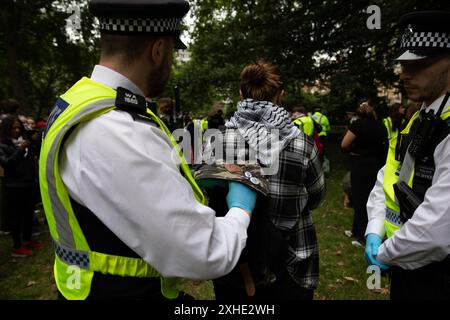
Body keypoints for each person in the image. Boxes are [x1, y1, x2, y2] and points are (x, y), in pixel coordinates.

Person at [39, 0, 258, 300]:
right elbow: (206, 253)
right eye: (171, 52)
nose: (171, 62)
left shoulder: (80, 100)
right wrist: (241, 210)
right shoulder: (116, 128)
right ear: (157, 51)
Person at [206, 61, 326, 300]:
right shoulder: (302, 144)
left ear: (241, 94)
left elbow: (207, 197)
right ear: (280, 96)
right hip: (292, 263)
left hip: (235, 262)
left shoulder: (216, 141)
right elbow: (316, 197)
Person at [365, 11, 450, 300]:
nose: (405, 74)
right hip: (406, 259)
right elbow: (388, 175)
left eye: (420, 64)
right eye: (403, 64)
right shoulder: (421, 117)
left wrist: (386, 253)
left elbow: (437, 230)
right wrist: (375, 228)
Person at [341, 101, 388, 246]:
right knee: (371, 198)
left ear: (358, 114)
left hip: (360, 164)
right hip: (376, 164)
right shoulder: (381, 126)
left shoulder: (358, 125)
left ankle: (362, 236)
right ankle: (356, 230)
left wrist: (353, 150)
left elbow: (344, 144)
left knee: (360, 200)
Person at [0, 115, 42, 257]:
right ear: (6, 130)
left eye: (18, 127)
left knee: (29, 213)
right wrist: (20, 150)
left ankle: (27, 240)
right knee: (16, 217)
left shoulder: (25, 141)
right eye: (13, 128)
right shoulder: (3, 145)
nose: (17, 130)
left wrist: (34, 141)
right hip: (14, 186)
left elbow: (35, 154)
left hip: (29, 182)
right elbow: (8, 164)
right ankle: (17, 247)